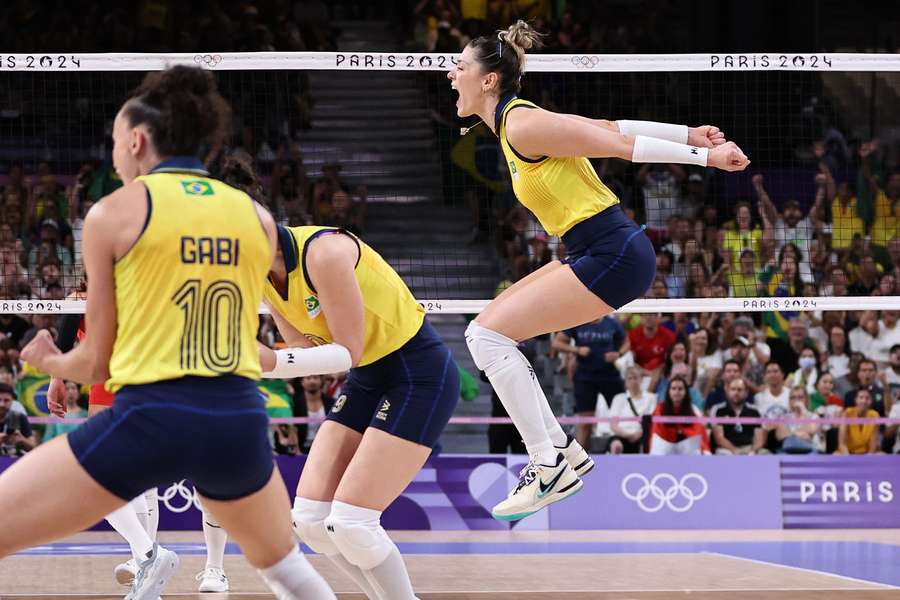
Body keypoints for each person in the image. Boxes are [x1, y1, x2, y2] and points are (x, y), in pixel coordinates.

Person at [0, 66, 336, 600]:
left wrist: (46, 359)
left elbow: (95, 363)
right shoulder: (256, 217)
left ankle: (151, 555)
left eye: (114, 142)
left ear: (136, 140)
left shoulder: (113, 213)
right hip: (238, 419)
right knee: (290, 572)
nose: (113, 156)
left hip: (152, 418)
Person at [453, 20, 747, 518]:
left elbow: (619, 147)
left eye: (458, 65)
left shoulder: (521, 124)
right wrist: (688, 133)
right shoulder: (516, 122)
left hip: (613, 252)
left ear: (488, 80)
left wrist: (706, 156)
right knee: (483, 334)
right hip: (594, 249)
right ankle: (562, 453)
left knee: (488, 339)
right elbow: (612, 128)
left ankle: (548, 465)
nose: (449, 74)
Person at [221, 158, 459, 599]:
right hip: (370, 378)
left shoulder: (324, 253)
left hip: (416, 372)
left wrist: (268, 361)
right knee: (310, 521)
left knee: (352, 522)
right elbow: (307, 350)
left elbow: (345, 354)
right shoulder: (260, 277)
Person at [45, 288, 161, 588]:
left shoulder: (80, 299)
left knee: (100, 477)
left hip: (121, 379)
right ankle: (145, 561)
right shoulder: (140, 283)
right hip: (148, 377)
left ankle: (145, 556)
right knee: (136, 481)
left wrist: (57, 378)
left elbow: (69, 329)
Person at [551, 316, 626, 449]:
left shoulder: (612, 323)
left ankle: (623, 454)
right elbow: (557, 343)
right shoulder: (578, 320)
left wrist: (618, 354)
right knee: (585, 422)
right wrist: (577, 350)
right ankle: (581, 459)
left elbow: (626, 342)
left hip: (609, 375)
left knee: (621, 418)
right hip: (585, 376)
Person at [711, 378, 766, 455]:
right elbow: (719, 439)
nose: (736, 393)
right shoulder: (719, 410)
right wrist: (736, 451)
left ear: (746, 392)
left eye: (739, 390)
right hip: (727, 449)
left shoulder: (754, 411)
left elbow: (760, 439)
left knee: (765, 453)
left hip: (749, 447)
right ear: (728, 391)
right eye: (733, 389)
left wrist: (752, 451)